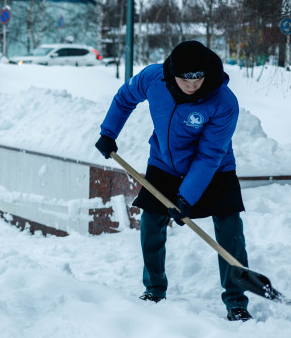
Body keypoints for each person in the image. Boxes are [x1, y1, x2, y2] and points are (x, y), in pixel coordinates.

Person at [95, 40, 252, 322]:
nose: (192, 86)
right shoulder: (153, 77)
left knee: (230, 228)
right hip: (165, 164)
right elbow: (124, 98)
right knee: (151, 224)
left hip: (214, 169)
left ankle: (236, 301)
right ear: (172, 73)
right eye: (184, 80)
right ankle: (154, 289)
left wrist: (187, 197)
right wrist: (109, 132)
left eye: (198, 79)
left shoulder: (223, 101)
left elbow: (210, 155)